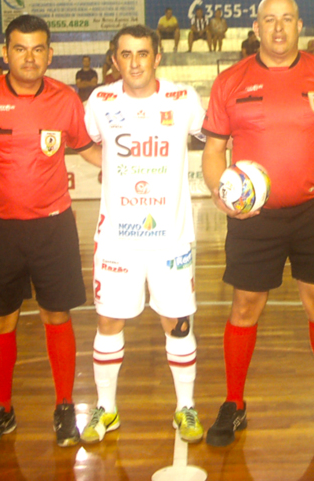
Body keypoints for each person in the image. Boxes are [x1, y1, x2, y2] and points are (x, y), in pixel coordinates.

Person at [201, 0, 314, 448]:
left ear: (299, 25)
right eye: (269, 20)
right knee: (245, 307)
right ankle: (234, 405)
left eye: (287, 19)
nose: (278, 28)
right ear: (256, 28)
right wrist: (222, 192)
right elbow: (214, 152)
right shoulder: (230, 81)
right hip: (256, 218)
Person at [0, 14, 103, 450]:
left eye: (38, 49)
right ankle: (2, 409)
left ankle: (63, 407)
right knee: (1, 319)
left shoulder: (65, 98)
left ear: (50, 55)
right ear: (5, 53)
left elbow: (88, 147)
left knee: (57, 315)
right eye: (20, 48)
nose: (30, 57)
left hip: (53, 226)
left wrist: (133, 166)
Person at [81, 25, 207, 445]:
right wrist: (113, 165)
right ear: (114, 60)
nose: (134, 62)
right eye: (126, 54)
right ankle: (107, 408)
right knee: (109, 320)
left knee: (177, 322)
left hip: (170, 238)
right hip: (117, 237)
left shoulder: (183, 99)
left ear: (157, 58)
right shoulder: (99, 100)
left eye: (143, 53)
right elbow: (85, 144)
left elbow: (214, 140)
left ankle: (185, 408)